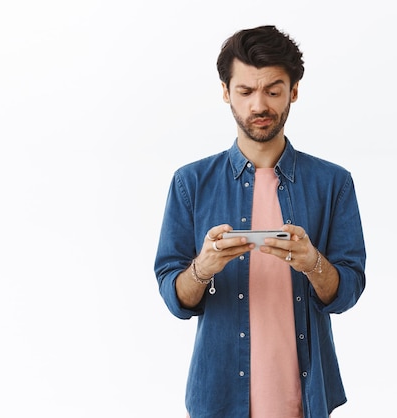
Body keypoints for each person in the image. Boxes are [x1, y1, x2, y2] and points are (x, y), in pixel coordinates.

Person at [154, 25, 366, 418]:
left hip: (307, 397)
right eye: (246, 91)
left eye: (273, 90)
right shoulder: (191, 183)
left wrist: (312, 263)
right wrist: (203, 268)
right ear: (225, 92)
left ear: (294, 91)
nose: (259, 106)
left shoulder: (333, 182)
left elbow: (349, 289)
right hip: (218, 396)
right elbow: (174, 297)